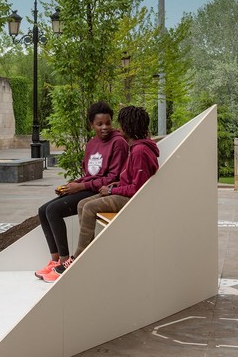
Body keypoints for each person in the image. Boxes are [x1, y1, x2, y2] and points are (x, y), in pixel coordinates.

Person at [43, 105, 159, 282]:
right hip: (122, 192)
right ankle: (87, 256)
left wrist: (112, 189)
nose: (116, 129)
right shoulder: (135, 148)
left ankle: (76, 260)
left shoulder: (140, 151)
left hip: (132, 199)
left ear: (129, 127)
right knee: (82, 204)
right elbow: (129, 179)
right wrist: (113, 185)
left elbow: (137, 189)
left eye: (119, 124)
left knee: (88, 207)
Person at [35, 101, 128, 280]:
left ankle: (63, 265)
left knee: (53, 210)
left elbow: (113, 177)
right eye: (99, 124)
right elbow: (88, 174)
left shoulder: (118, 143)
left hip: (101, 191)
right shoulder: (92, 143)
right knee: (42, 211)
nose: (105, 127)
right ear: (91, 125)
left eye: (108, 123)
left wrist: (81, 186)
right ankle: (54, 261)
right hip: (88, 186)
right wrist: (72, 185)